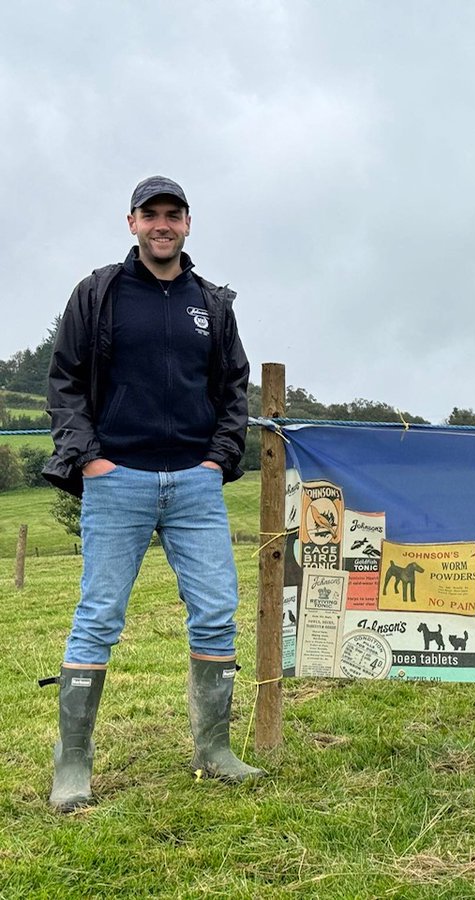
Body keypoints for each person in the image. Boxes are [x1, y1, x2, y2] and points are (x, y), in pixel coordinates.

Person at [42, 175, 263, 813]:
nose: (162, 225)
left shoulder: (213, 304)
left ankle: (214, 751)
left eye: (173, 214)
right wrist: (89, 458)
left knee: (218, 611)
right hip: (118, 479)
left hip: (195, 484)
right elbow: (65, 381)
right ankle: (73, 766)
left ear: (188, 223)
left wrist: (218, 462)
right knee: (98, 618)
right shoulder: (100, 293)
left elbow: (233, 389)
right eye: (150, 214)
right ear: (132, 222)